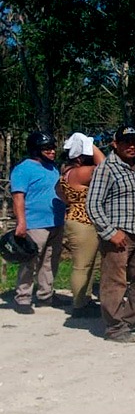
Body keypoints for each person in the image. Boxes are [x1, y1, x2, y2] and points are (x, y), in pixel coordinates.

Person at [86, 126, 135, 343]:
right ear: (115, 144)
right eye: (126, 142)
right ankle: (115, 327)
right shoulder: (106, 168)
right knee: (114, 281)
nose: (131, 146)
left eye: (134, 141)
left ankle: (133, 316)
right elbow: (93, 204)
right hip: (118, 234)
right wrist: (109, 232)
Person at [11, 131, 66, 314]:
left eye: (52, 147)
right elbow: (18, 196)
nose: (51, 151)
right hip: (35, 223)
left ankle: (45, 294)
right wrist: (21, 222)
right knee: (30, 261)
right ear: (36, 149)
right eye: (46, 148)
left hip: (56, 221)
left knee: (50, 261)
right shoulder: (23, 169)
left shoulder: (53, 168)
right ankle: (23, 297)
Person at [59, 132, 106, 318]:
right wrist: (93, 147)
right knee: (82, 265)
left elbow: (59, 194)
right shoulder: (81, 172)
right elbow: (104, 166)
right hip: (82, 221)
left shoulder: (66, 170)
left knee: (92, 264)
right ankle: (79, 304)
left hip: (81, 219)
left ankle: (85, 299)